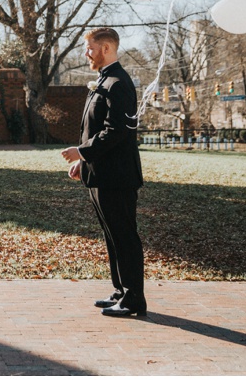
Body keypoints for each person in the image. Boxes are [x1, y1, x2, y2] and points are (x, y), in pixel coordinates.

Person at [61, 28, 146, 317]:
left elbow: (117, 131)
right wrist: (84, 163)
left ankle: (135, 299)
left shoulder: (119, 82)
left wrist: (82, 152)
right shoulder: (106, 80)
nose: (87, 53)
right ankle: (121, 291)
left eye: (90, 48)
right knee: (112, 234)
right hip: (101, 173)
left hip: (118, 176)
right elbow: (96, 128)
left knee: (124, 235)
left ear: (107, 48)